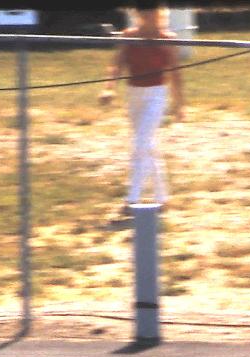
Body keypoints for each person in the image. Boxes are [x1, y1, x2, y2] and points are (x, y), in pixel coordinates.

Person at [99, 1, 185, 217]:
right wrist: (109, 88)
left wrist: (179, 104)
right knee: (147, 146)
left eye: (153, 14)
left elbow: (176, 74)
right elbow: (117, 65)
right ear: (139, 15)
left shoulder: (168, 39)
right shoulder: (129, 36)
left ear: (160, 14)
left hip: (156, 94)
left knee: (140, 144)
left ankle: (132, 199)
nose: (149, 18)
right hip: (134, 94)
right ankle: (162, 198)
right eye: (144, 14)